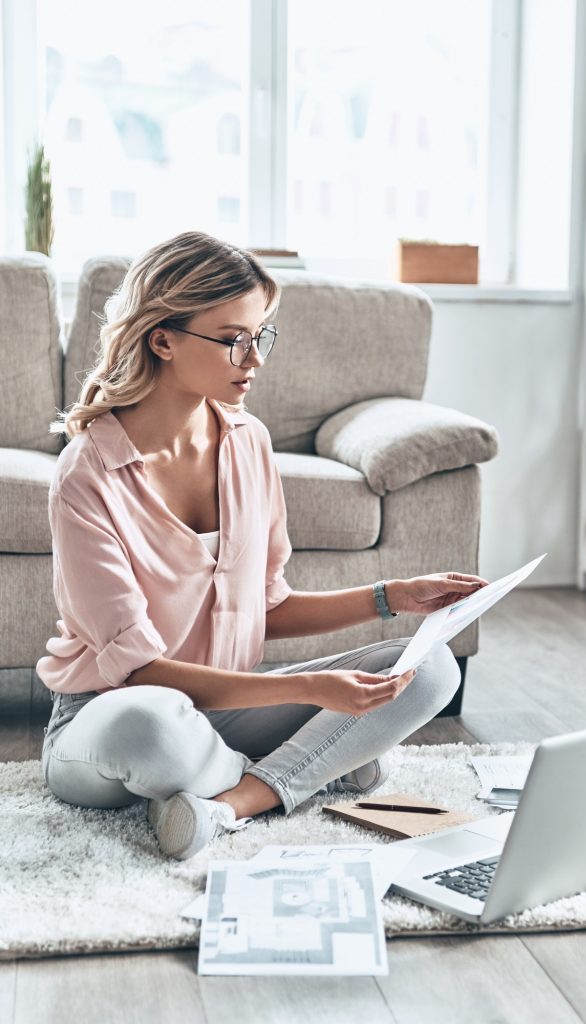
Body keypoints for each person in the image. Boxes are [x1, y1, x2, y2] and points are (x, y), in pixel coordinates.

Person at [37, 230, 487, 861]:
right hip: (110, 720)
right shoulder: (87, 474)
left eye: (259, 336)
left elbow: (267, 607)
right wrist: (312, 695)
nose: (254, 358)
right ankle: (317, 768)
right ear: (162, 338)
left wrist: (391, 598)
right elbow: (137, 673)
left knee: (429, 665)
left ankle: (232, 803)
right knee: (153, 727)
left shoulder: (249, 442)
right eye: (232, 339)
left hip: (225, 710)